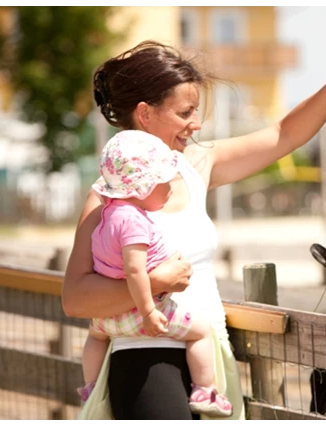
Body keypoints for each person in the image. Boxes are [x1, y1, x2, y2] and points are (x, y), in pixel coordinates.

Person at [62, 39, 326, 420]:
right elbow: (75, 298)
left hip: (208, 355)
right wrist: (156, 281)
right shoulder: (110, 197)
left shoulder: (197, 163)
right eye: (185, 112)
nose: (196, 123)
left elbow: (284, 135)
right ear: (145, 114)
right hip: (148, 362)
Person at [77, 129, 232, 418]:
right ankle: (204, 389)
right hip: (141, 315)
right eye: (164, 184)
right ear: (142, 188)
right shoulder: (133, 221)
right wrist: (149, 311)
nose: (171, 188)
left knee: (95, 337)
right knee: (200, 331)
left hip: (107, 320)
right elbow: (135, 269)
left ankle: (90, 386)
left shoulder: (108, 213)